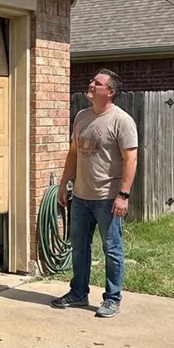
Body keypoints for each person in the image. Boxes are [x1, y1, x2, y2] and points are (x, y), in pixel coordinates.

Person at [51, 69, 138, 318]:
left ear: (110, 92)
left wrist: (123, 195)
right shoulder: (81, 116)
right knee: (79, 248)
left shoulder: (122, 120)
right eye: (91, 81)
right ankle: (78, 292)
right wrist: (63, 184)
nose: (90, 84)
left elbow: (130, 158)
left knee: (112, 249)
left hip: (108, 198)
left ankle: (112, 298)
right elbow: (74, 153)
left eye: (97, 83)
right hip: (80, 196)